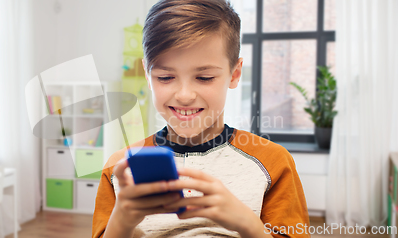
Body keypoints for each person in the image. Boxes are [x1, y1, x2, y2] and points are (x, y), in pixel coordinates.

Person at [92, 0, 309, 237]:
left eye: (204, 77)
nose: (184, 95)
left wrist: (247, 223)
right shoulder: (119, 169)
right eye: (165, 77)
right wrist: (121, 222)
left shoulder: (275, 163)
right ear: (147, 74)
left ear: (234, 74)